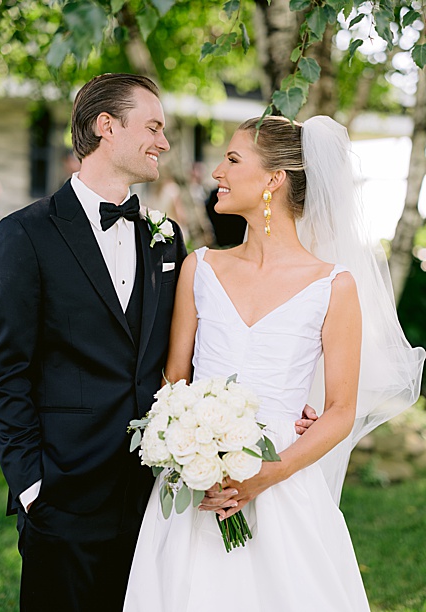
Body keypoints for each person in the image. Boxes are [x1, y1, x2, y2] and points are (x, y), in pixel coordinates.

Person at [123, 116, 424, 610]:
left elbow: (340, 411)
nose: (217, 171)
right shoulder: (201, 267)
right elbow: (173, 382)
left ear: (273, 179)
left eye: (234, 159)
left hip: (283, 479)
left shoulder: (334, 285)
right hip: (196, 481)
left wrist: (260, 476)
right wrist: (186, 445)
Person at [0, 73, 189, 610]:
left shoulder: (166, 238)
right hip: (62, 497)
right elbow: (6, 373)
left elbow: (184, 351)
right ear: (106, 127)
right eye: (153, 127)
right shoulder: (25, 234)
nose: (163, 143)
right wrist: (33, 487)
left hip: (150, 498)